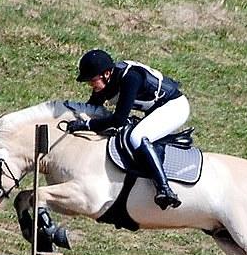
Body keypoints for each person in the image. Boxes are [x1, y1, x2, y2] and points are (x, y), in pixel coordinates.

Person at [67, 49, 189, 210]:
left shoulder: (130, 78)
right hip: (157, 109)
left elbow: (118, 120)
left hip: (174, 108)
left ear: (107, 74)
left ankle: (164, 189)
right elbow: (92, 107)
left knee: (136, 137)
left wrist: (88, 125)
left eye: (92, 80)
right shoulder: (107, 81)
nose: (90, 85)